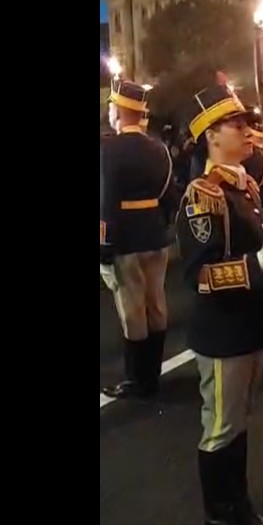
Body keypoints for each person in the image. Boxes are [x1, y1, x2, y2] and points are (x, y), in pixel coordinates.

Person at [177, 73, 263, 525]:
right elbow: (199, 276)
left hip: (250, 323)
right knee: (221, 426)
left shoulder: (244, 187)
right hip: (222, 330)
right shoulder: (204, 195)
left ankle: (240, 505)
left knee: (239, 421)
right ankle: (217, 519)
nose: (247, 131)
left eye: (246, 123)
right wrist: (255, 263)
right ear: (210, 136)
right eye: (235, 123)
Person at [100, 81, 177, 398]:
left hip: (124, 237)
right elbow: (169, 195)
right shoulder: (159, 148)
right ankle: (153, 373)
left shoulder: (108, 149)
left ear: (118, 111)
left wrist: (104, 245)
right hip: (155, 235)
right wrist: (161, 224)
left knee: (132, 309)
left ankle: (137, 379)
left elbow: (105, 199)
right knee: (156, 304)